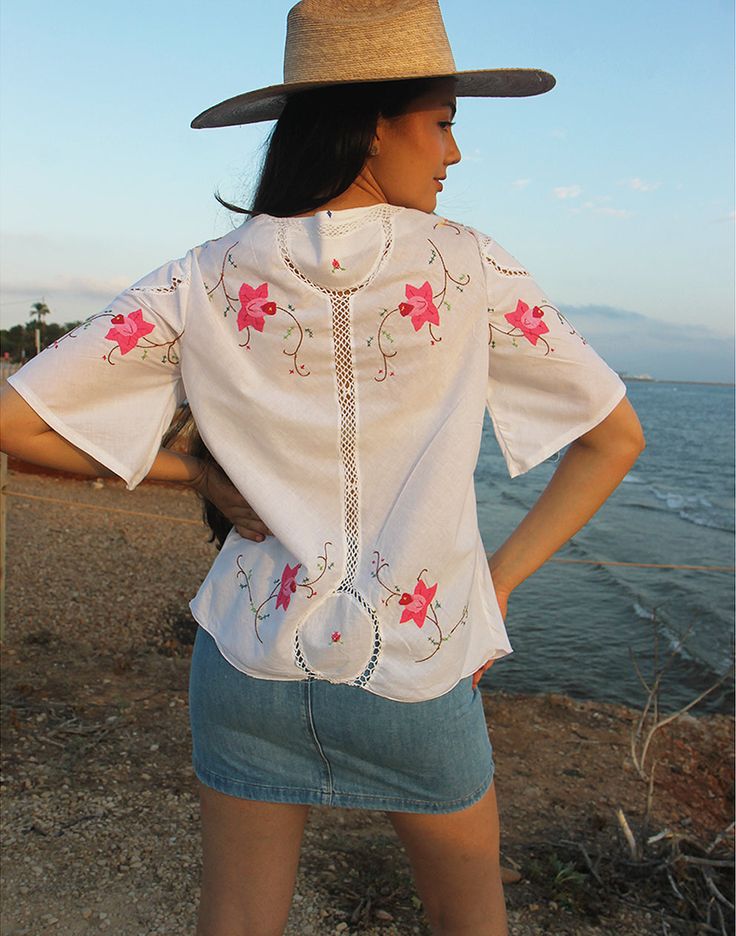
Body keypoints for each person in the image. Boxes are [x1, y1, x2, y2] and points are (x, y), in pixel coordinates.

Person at [0, 1, 645, 933]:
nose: (454, 154)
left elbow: (14, 422)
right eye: (444, 123)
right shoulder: (470, 267)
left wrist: (199, 473)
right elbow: (613, 439)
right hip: (420, 672)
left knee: (238, 921)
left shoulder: (201, 274)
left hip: (242, 661)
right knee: (471, 920)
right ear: (376, 121)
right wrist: (494, 591)